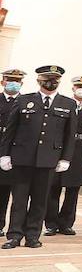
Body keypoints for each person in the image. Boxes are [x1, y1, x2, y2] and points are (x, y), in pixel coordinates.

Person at [0, 65, 78, 250]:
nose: (50, 82)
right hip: (22, 158)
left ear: (59, 82)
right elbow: (10, 131)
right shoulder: (24, 100)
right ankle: (14, 235)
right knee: (19, 200)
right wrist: (4, 155)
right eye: (46, 79)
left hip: (48, 160)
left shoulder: (68, 104)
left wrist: (65, 158)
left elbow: (70, 135)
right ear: (38, 81)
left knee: (40, 200)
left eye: (54, 79)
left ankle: (33, 235)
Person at [45, 74, 82, 236]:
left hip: (80, 149)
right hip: (60, 148)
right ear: (73, 88)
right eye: (79, 86)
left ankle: (66, 223)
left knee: (73, 189)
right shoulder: (63, 103)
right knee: (53, 188)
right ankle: (51, 223)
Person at [0, 69, 24, 224]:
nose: (13, 84)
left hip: (11, 151)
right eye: (10, 80)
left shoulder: (24, 102)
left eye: (16, 81)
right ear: (3, 82)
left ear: (21, 84)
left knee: (4, 190)